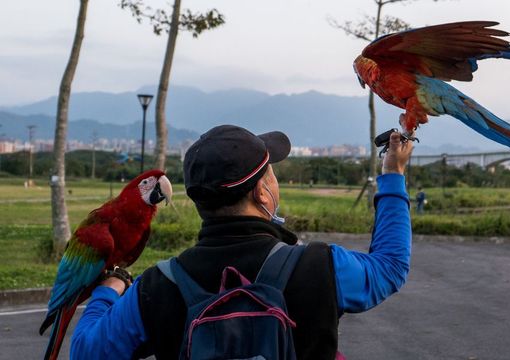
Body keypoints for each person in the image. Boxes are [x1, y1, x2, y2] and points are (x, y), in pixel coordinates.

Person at [70, 124, 414, 360]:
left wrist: (108, 289)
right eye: (272, 175)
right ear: (262, 193)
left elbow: (86, 351)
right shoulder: (319, 266)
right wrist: (393, 176)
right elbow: (391, 267)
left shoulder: (156, 287)